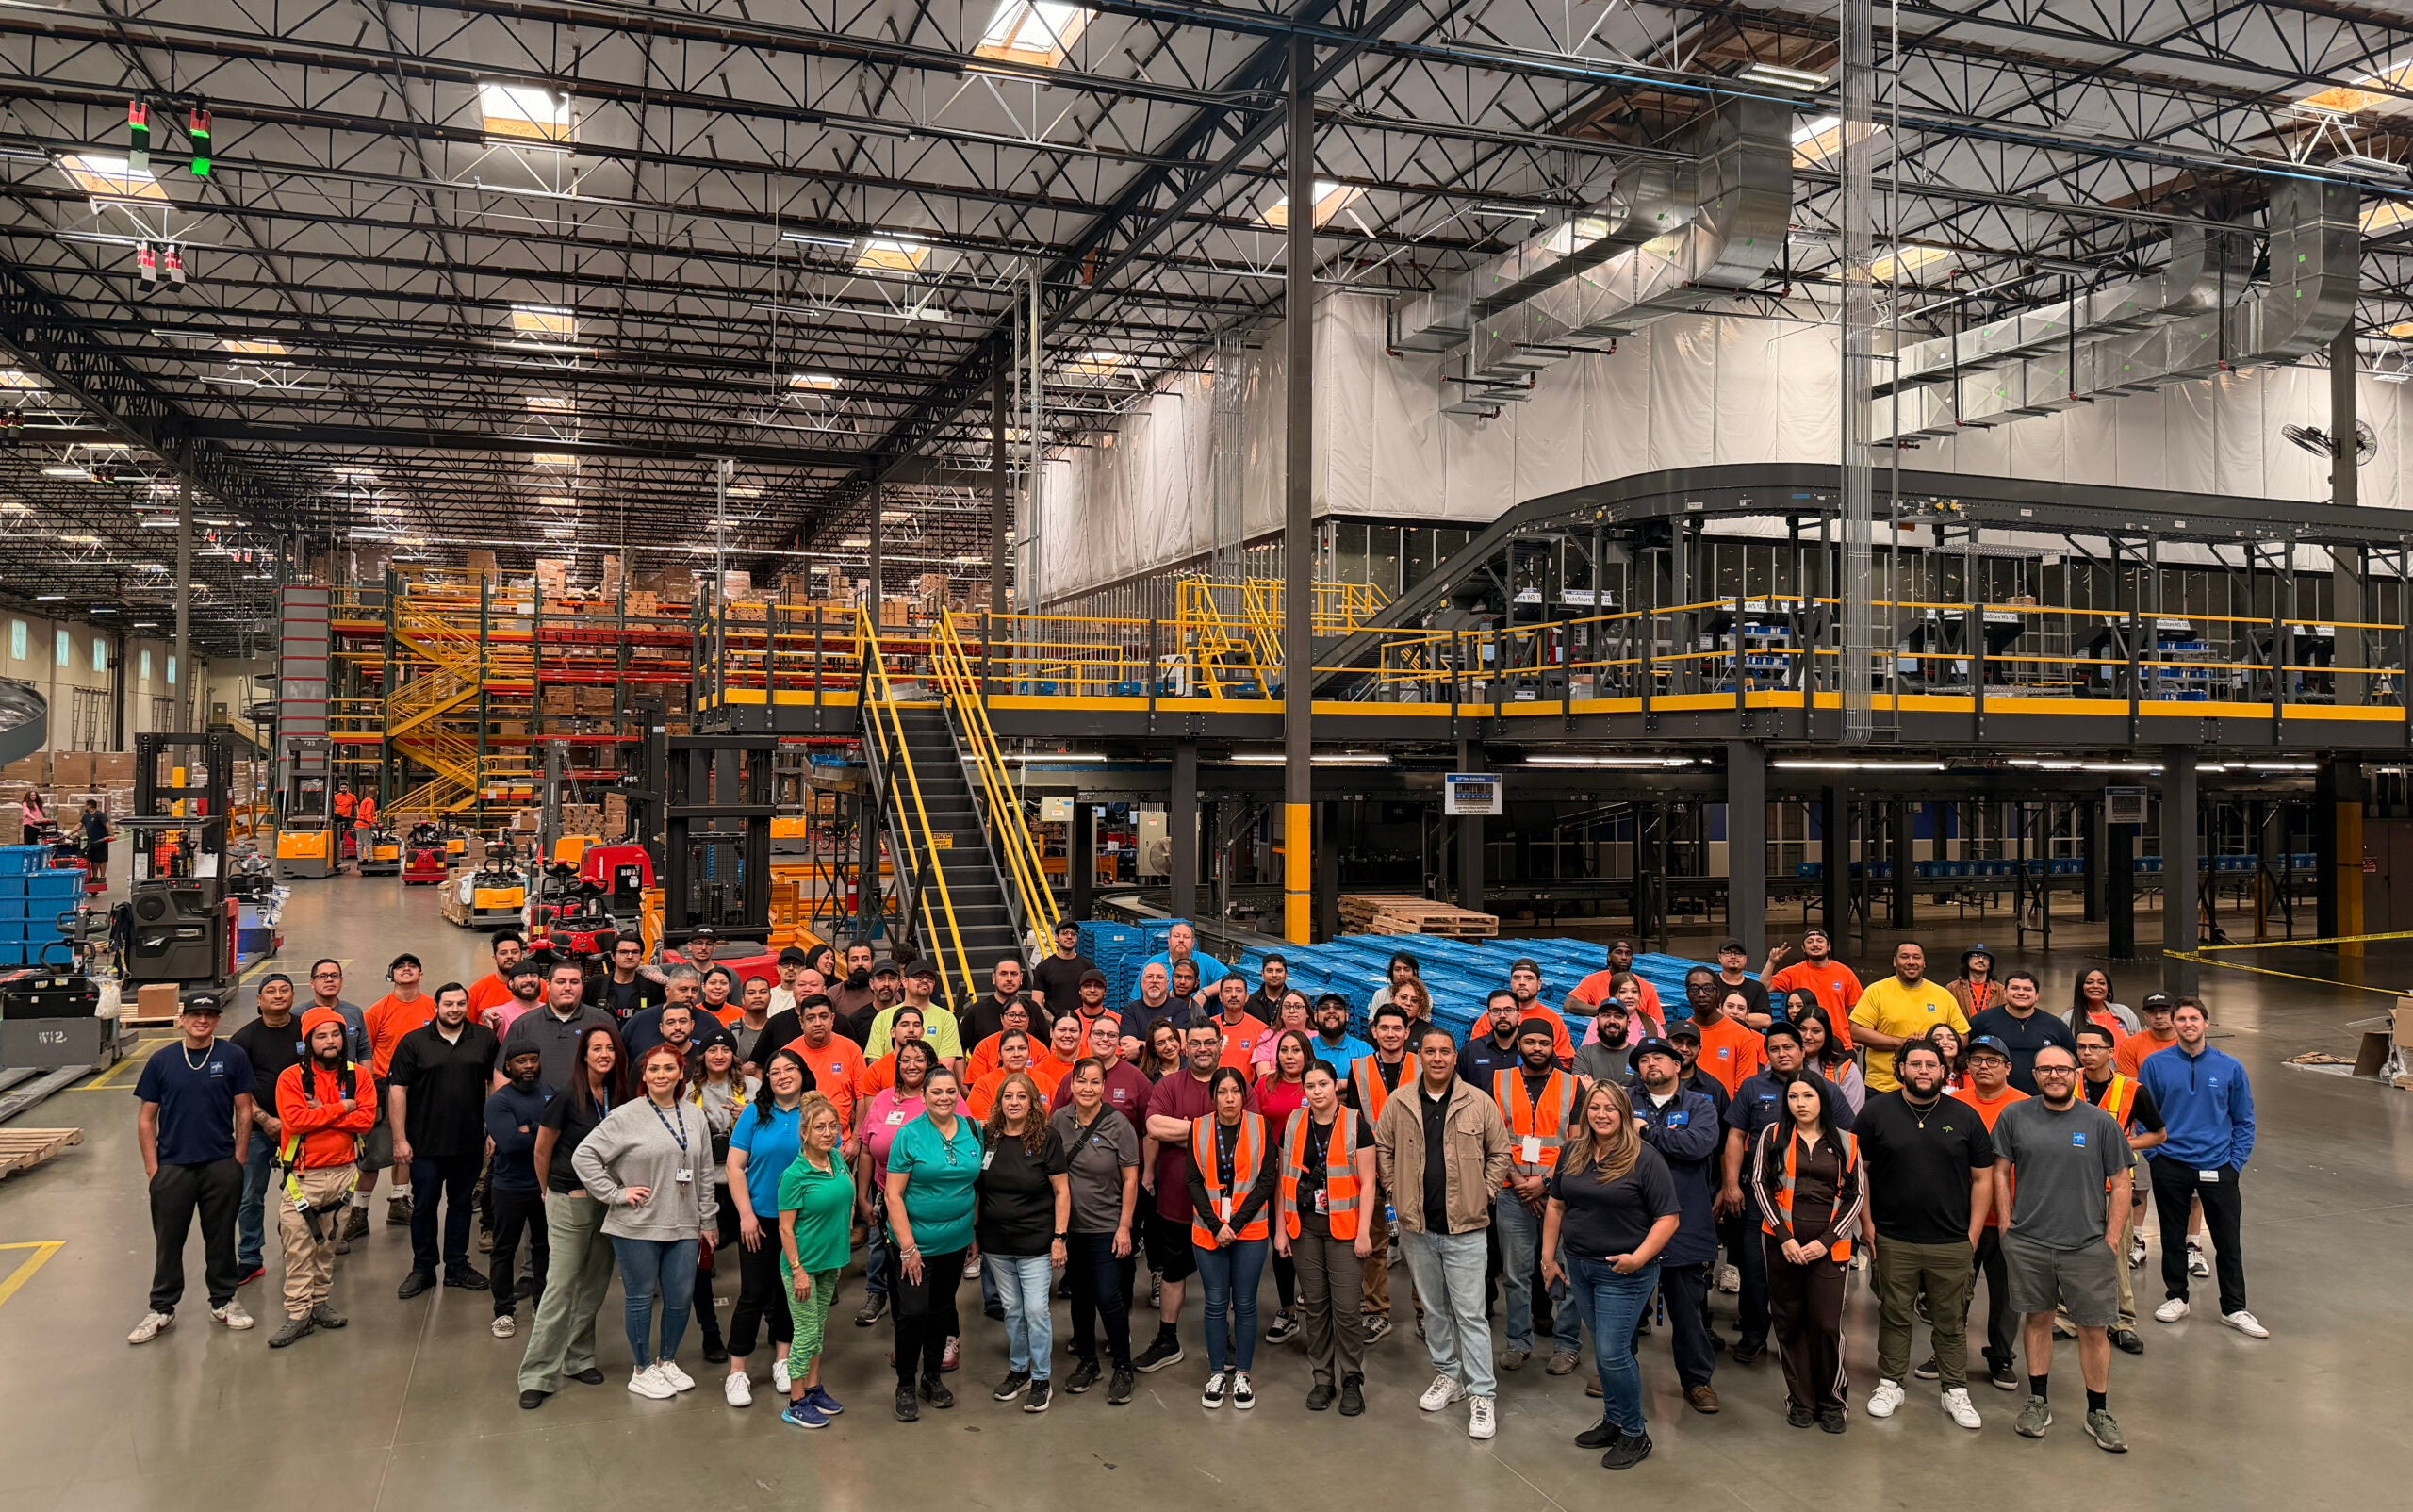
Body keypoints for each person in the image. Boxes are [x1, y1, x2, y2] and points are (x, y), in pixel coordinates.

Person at [1991, 1044, 2133, 1452]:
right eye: (2045, 1069)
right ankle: (2038, 1401)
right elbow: (2000, 1171)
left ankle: (2098, 1411)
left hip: (2087, 1246)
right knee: (2037, 1320)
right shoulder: (2014, 1116)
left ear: (2075, 1073)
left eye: (2062, 1069)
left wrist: (2110, 1238)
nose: (2054, 1075)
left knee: (2093, 1328)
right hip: (2029, 1243)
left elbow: (2122, 1182)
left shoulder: (2100, 1122)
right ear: (2034, 1075)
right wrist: (2006, 1225)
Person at [1375, 1024, 1513, 1440]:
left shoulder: (1479, 1102)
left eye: (1445, 1051)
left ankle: (1482, 1393)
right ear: (1420, 1056)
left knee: (1470, 1314)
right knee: (1434, 1310)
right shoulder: (1399, 1102)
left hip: (1466, 1229)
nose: (1437, 1058)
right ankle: (1449, 1375)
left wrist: (1485, 1193)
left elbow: (1500, 1152)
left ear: (1455, 1057)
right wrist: (1394, 1189)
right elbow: (1383, 1147)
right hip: (1418, 1229)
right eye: (1430, 1051)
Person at [1542, 1078, 1682, 1471]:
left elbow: (1668, 1218)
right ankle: (1615, 1419)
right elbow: (1556, 1205)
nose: (1601, 1115)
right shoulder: (1573, 1151)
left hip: (1624, 1272)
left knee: (1612, 1352)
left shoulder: (1645, 1158)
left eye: (1610, 1108)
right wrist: (1548, 1258)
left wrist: (1638, 1259)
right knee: (1605, 1350)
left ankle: (1635, 1434)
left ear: (1624, 1113)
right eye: (1594, 1107)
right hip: (1580, 1265)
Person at [1855, 1037, 1992, 1428]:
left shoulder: (1965, 1116)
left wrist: (1973, 1235)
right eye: (1915, 1064)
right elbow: (1859, 1172)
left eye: (1931, 1065)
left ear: (1944, 1070)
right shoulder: (1875, 1112)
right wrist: (1867, 1225)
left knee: (1950, 1320)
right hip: (1892, 1237)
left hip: (1950, 1240)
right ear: (1901, 1069)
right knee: (1894, 1314)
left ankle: (1955, 1390)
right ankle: (1890, 1383)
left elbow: (1982, 1179)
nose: (1924, 1071)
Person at [573, 1042, 718, 1399]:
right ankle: (641, 1369)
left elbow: (703, 1172)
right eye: (654, 1069)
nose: (661, 1075)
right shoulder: (626, 1115)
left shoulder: (695, 1116)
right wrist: (615, 1193)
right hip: (636, 1224)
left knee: (680, 1297)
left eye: (669, 1068)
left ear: (681, 1074)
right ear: (644, 1076)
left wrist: (708, 1220)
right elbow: (584, 1155)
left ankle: (667, 1361)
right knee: (639, 1298)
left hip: (684, 1223)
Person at [1718, 1022, 1854, 1369]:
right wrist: (1731, 1185)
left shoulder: (1826, 1090)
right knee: (1755, 1270)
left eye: (1789, 1047)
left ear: (1803, 1050)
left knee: (1806, 1275)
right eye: (1774, 1049)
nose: (1782, 1054)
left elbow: (1848, 1142)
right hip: (1761, 1197)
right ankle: (1753, 1335)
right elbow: (1735, 1137)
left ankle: (1799, 1340)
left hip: (1815, 1203)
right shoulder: (1753, 1088)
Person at [128, 994, 256, 1343]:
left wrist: (238, 1158)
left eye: (209, 1014)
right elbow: (146, 1118)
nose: (203, 1020)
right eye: (196, 1014)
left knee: (220, 1237)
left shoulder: (233, 1056)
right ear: (182, 1020)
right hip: (173, 1168)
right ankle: (162, 1308)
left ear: (217, 1020)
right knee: (168, 1241)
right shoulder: (162, 1061)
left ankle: (224, 1301)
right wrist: (153, 1169)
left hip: (220, 1165)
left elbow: (244, 1110)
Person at [517, 1025, 627, 1409]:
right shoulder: (566, 1097)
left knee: (594, 1284)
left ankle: (578, 1358)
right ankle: (537, 1374)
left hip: (609, 1202)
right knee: (561, 1285)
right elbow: (542, 1150)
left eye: (609, 1048)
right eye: (596, 1048)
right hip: (570, 1200)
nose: (604, 1054)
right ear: (584, 1055)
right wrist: (547, 1190)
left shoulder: (621, 1096)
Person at [2139, 998, 2262, 1338]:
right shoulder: (2155, 1065)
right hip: (2171, 1163)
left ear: (2206, 1023)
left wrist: (2234, 1163)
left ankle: (2234, 1307)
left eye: (2194, 1018)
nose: (2188, 1024)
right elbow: (2143, 1115)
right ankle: (2176, 1297)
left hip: (2219, 1165)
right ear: (2173, 1024)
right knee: (2172, 1236)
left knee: (2228, 1240)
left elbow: (2244, 1119)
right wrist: (2155, 1157)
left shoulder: (2230, 1067)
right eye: (2181, 1018)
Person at [1137, 1021, 1256, 1372]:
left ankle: (1225, 1340)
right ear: (1185, 1047)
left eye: (1209, 1042)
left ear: (1220, 1045)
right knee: (1173, 1273)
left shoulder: (1236, 1084)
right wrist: (1208, 1129)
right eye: (1195, 1043)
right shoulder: (1170, 1085)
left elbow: (1250, 1133)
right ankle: (1167, 1339)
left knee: (1227, 1280)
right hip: (1176, 1202)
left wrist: (1183, 1134)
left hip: (1226, 1207)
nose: (1202, 1048)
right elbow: (1154, 1126)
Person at [1751, 1078, 1866, 1432]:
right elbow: (1759, 1184)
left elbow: (1857, 1196)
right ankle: (1801, 1400)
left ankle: (1832, 1401)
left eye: (1808, 1096)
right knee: (1789, 1321)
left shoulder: (1847, 1141)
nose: (1800, 1103)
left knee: (1826, 1324)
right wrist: (1784, 1237)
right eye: (1793, 1097)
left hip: (1828, 1245)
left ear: (1822, 1100)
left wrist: (1827, 1241)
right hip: (1782, 1242)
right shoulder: (1773, 1135)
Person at [267, 1006, 377, 1348]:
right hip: (304, 1178)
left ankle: (319, 1303)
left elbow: (366, 1121)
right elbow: (296, 1121)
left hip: (344, 1175)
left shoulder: (359, 1076)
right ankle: (299, 1313)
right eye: (321, 1036)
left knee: (327, 1246)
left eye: (335, 1035)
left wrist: (323, 1112)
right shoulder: (291, 1079)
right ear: (308, 1041)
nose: (330, 1042)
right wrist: (343, 1108)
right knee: (298, 1249)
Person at [1272, 1057, 1374, 1413]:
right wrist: (1281, 1231)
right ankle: (1322, 1378)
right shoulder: (1293, 1123)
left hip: (1345, 1229)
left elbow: (1368, 1183)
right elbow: (1283, 1180)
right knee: (1315, 1307)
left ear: (1336, 1086)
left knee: (1346, 1309)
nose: (1317, 1092)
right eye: (1310, 1086)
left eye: (1323, 1085)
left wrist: (1364, 1232)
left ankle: (1352, 1379)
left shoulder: (1356, 1123)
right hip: (1305, 1229)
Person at [1630, 1034, 1725, 1412]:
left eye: (1659, 1057)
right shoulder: (1624, 1101)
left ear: (1676, 1064)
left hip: (1686, 1221)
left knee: (1688, 1310)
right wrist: (1669, 1140)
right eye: (1643, 1060)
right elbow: (1609, 1145)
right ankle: (1615, 1371)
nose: (1651, 1064)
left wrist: (1646, 1134)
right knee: (1624, 1308)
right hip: (1632, 1221)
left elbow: (1698, 1146)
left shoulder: (1701, 1105)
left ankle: (1698, 1381)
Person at [884, 1064, 984, 1421]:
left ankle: (932, 1378)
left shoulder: (972, 1130)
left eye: (951, 1091)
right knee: (913, 1313)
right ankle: (905, 1384)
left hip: (956, 1241)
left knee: (942, 1310)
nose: (944, 1098)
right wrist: (908, 1248)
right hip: (915, 1244)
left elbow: (974, 1186)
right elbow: (893, 1195)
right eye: (937, 1092)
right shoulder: (909, 1136)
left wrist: (973, 1232)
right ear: (924, 1096)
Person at [389, 982, 501, 1298]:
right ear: (435, 1007)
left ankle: (457, 1266)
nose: (455, 1009)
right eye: (448, 1004)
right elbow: (398, 1090)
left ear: (467, 1006)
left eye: (461, 1004)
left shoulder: (484, 1038)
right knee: (424, 1206)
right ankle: (423, 1269)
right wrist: (399, 1139)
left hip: (468, 1142)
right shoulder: (414, 1042)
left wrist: (493, 1128)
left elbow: (494, 1083)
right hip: (424, 1144)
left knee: (461, 1205)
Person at [1489, 1017, 1584, 1374]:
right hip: (1513, 1193)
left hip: (1560, 1195)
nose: (1537, 1048)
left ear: (1553, 1047)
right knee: (1516, 1275)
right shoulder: (1498, 1081)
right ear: (1519, 1045)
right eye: (1530, 1042)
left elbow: (1577, 1143)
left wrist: (1544, 1182)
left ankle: (1567, 1345)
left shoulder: (1572, 1085)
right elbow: (1493, 1139)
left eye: (1544, 1043)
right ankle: (1518, 1341)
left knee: (1565, 1273)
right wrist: (1519, 1182)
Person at [979, 1072, 1071, 1411]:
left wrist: (1059, 1237)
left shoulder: (1047, 1138)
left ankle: (1042, 1377)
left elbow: (1062, 1191)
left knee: (1035, 1311)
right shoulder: (989, 1136)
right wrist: (975, 1234)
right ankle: (1019, 1370)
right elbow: (979, 1188)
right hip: (997, 1243)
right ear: (999, 1102)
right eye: (1008, 1096)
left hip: (1036, 1242)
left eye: (1021, 1096)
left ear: (1033, 1102)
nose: (1014, 1102)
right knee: (1013, 1310)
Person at [1053, 1056, 1141, 1405]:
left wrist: (1124, 1228)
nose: (1087, 1088)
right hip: (1072, 1227)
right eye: (1081, 1081)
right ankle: (1088, 1362)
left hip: (1107, 1226)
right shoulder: (1059, 1120)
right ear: (1071, 1084)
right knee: (1081, 1297)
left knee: (1108, 1296)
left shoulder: (1119, 1124)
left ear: (1104, 1087)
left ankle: (1123, 1366)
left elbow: (1131, 1180)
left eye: (1094, 1082)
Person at [1186, 1064, 1275, 1409]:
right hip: (1209, 1230)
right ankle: (1216, 1373)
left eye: (1235, 1091)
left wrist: (1234, 1225)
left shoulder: (1260, 1126)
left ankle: (1242, 1374)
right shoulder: (1198, 1128)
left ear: (1244, 1095)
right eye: (1222, 1092)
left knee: (1246, 1303)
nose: (1229, 1098)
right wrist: (1215, 1224)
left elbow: (1266, 1181)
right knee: (1215, 1303)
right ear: (1213, 1097)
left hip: (1249, 1230)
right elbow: (1193, 1180)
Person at [724, 1049, 808, 1406]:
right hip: (758, 1219)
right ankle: (736, 1372)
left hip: (802, 1222)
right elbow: (734, 1166)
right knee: (753, 1294)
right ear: (767, 1079)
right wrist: (745, 1215)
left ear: (803, 1073)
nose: (783, 1076)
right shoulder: (753, 1114)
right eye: (775, 1071)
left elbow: (831, 1164)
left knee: (791, 1292)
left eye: (790, 1069)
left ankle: (783, 1360)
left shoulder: (814, 1112)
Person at [2076, 1023, 2162, 1354]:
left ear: (2111, 1052)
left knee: (2115, 1254)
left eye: (2094, 1047)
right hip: (2072, 1186)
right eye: (2081, 1047)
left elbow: (2158, 1134)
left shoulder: (2132, 1090)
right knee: (2069, 1254)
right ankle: (2067, 1317)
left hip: (2115, 1188)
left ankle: (2121, 1322)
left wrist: (2124, 1144)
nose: (2087, 1053)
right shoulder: (2067, 1082)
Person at [774, 1092, 853, 1428]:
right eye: (819, 1127)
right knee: (805, 1334)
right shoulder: (795, 1175)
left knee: (818, 1331)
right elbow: (785, 1228)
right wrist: (798, 1270)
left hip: (829, 1263)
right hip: (802, 1267)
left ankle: (813, 1388)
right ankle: (795, 1403)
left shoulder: (835, 1159)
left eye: (833, 1126)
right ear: (804, 1132)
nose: (827, 1133)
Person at [1956, 1034, 2028, 1391]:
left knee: (2007, 1296)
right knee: (1952, 1291)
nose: (1984, 1066)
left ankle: (2001, 1356)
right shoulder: (1952, 1104)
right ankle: (1947, 1351)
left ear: (2008, 1067)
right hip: (1960, 1219)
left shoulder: (2027, 1106)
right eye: (1977, 1060)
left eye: (1993, 1060)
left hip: (2009, 1220)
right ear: (1967, 1067)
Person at [853, 1039, 935, 1331]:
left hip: (928, 1197)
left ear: (930, 1064)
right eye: (905, 1060)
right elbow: (866, 1149)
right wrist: (862, 1196)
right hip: (885, 1193)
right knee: (884, 1252)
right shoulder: (883, 1099)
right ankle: (880, 1297)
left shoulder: (940, 1095)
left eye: (919, 1059)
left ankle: (925, 1314)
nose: (912, 1065)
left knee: (923, 1261)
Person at [228, 972, 304, 1286]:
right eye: (270, 991)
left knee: (301, 1194)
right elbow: (238, 1090)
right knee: (249, 1195)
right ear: (259, 1000)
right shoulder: (243, 1040)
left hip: (301, 1129)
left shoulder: (306, 1030)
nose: (278, 995)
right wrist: (265, 1120)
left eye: (285, 989)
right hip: (258, 1131)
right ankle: (249, 1257)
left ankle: (298, 1250)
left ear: (292, 996)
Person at [1345, 1003, 1414, 1342]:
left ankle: (1425, 1314)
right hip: (1373, 1168)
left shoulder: (1421, 1065)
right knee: (1374, 1246)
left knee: (1419, 1248)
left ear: (1407, 1032)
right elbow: (1355, 1121)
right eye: (1384, 1028)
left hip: (1416, 1170)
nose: (1390, 1034)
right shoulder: (1359, 1069)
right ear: (1373, 1031)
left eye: (1397, 1028)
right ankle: (1376, 1311)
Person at [685, 1035, 754, 1364]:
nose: (719, 1055)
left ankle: (766, 1321)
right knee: (701, 1265)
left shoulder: (753, 1089)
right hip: (704, 1186)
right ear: (702, 1056)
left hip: (744, 1184)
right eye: (712, 1049)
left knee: (756, 1259)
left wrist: (750, 1116)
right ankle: (710, 1332)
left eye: (726, 1049)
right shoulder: (688, 1092)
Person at [484, 1043, 553, 1340]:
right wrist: (544, 1131)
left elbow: (563, 1134)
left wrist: (530, 1128)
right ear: (509, 1066)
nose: (528, 1066)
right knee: (504, 1250)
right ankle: (503, 1311)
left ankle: (542, 1304)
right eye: (521, 1061)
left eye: (533, 1060)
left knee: (544, 1247)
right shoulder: (498, 1101)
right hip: (509, 1187)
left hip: (544, 1186)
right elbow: (510, 1143)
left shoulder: (551, 1094)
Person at [1254, 1029, 1314, 1347]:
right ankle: (1287, 1310)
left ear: (1306, 1053)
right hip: (1272, 1173)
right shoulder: (1266, 1084)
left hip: (1311, 1176)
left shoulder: (1315, 1083)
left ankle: (1315, 1306)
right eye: (1284, 1050)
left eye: (1296, 1050)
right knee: (1281, 1241)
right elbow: (1254, 1123)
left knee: (1310, 1240)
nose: (1289, 1056)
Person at [1849, 942, 1969, 1093]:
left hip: (1933, 1086)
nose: (1911, 962)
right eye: (1905, 957)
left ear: (1924, 963)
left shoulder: (1942, 995)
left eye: (1916, 957)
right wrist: (1901, 1042)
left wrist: (1932, 1045)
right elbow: (1857, 1031)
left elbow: (1963, 1036)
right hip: (1884, 1086)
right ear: (1895, 962)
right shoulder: (1876, 991)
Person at [499, 961, 615, 1092]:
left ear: (583, 985)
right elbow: (501, 1073)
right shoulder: (523, 1025)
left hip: (588, 1102)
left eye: (574, 982)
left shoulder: (603, 1022)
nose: (568, 988)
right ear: (548, 985)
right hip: (536, 1103)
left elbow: (620, 1068)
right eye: (560, 982)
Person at [1968, 970, 2077, 1094]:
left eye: (2027, 989)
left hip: (2041, 1098)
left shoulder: (2056, 1026)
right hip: (1992, 1097)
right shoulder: (1982, 1021)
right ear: (2005, 992)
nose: (2021, 993)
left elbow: (2072, 1062)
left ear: (2037, 995)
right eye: (2015, 988)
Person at [780, 996, 867, 1150]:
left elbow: (862, 1098)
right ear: (801, 1022)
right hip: (798, 1144)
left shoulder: (851, 1049)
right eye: (811, 1018)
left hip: (841, 1144)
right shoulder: (788, 1054)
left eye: (823, 1016)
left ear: (832, 1019)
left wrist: (855, 1140)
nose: (818, 1023)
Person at [1049, 1010, 1151, 1126]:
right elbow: (1054, 1125)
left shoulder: (1136, 1078)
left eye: (1112, 1035)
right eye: (1098, 1033)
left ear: (1118, 1041)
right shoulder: (1073, 1077)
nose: (1105, 1039)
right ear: (1088, 1038)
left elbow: (1149, 1126)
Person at [1761, 928, 1860, 1046]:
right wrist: (1771, 962)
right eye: (1810, 941)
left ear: (1828, 946)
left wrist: (1856, 1037)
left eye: (1820, 941)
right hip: (1804, 1042)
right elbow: (1764, 987)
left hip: (1840, 1042)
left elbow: (1857, 1010)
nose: (1815, 945)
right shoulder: (1793, 972)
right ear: (1803, 948)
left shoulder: (1845, 973)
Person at [1569, 939, 1664, 1040]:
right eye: (1619, 952)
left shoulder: (1647, 987)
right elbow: (1570, 1004)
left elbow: (1660, 1026)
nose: (1624, 957)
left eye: (1628, 954)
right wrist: (1608, 1011)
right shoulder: (1593, 981)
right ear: (1609, 956)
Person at [867, 960, 960, 1060]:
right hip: (888, 1070)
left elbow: (947, 1063)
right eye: (919, 977)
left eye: (930, 978)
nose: (925, 981)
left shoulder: (946, 1018)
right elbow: (874, 1059)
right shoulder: (883, 1016)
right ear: (904, 982)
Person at [1692, 985, 1768, 1098]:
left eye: (1741, 1008)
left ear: (1747, 1013)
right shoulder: (1702, 1032)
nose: (1735, 1012)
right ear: (1720, 1008)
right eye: (1730, 1006)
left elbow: (1760, 1076)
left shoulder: (1758, 1040)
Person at [1502, 958, 1578, 1062]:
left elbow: (1564, 1060)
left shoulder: (1553, 1020)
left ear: (1539, 984)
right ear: (1511, 982)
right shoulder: (1496, 1017)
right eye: (1517, 978)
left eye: (1529, 978)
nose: (1522, 983)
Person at [1795, 1005, 1864, 1113]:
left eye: (1816, 1031)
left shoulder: (1846, 1070)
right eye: (1802, 1029)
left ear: (1826, 1035)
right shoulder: (1781, 1064)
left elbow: (1853, 1117)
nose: (1807, 1036)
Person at [584, 934, 665, 1023]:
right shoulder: (595, 984)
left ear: (641, 956)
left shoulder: (653, 987)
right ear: (613, 956)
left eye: (635, 952)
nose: (630, 956)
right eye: (623, 952)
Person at [1459, 989, 1529, 1088]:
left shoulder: (1532, 1049)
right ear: (1488, 1016)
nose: (1502, 1015)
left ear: (1519, 1014)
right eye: (1496, 1011)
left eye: (1509, 1010)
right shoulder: (1471, 1050)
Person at [1202, 972, 1272, 1068]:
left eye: (1239, 990)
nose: (1233, 995)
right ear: (1220, 997)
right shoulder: (1207, 1026)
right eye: (1228, 990)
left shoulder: (1261, 1030)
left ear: (1247, 997)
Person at [1031, 917, 1095, 1017]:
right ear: (1056, 937)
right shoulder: (1043, 967)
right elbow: (1036, 1004)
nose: (1069, 936)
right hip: (1054, 1023)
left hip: (1082, 1022)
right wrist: (1054, 1022)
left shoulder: (1088, 966)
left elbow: (1095, 998)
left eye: (1073, 934)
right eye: (1065, 933)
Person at [1571, 992, 1637, 1086]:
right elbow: (1580, 1088)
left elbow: (1642, 1092)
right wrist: (1626, 1090)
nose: (1612, 1021)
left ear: (1628, 1023)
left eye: (1618, 1016)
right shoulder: (1585, 1054)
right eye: (1606, 1015)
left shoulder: (1638, 1057)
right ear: (1597, 1021)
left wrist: (1594, 1086)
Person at [1142, 920, 1229, 990]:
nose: (1181, 940)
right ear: (1168, 941)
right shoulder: (1154, 963)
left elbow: (1230, 980)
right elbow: (1138, 997)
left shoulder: (1205, 961)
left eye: (1186, 937)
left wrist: (1205, 992)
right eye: (1176, 936)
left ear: (1193, 942)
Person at [465, 929, 530, 1020]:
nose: (509, 956)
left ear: (522, 955)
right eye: (503, 953)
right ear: (494, 958)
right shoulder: (477, 991)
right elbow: (467, 1024)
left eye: (514, 952)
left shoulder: (538, 986)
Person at [1248, 989, 1314, 1077]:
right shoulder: (1268, 1035)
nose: (1292, 1011)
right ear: (1281, 1013)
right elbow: (1263, 1075)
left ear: (1307, 1012)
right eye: (1287, 1006)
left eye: (1298, 1006)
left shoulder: (1318, 1037)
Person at [2115, 990, 2180, 1078]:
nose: (2158, 1016)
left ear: (2175, 1013)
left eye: (2164, 1011)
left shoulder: (2189, 1041)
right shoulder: (2130, 1045)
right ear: (2145, 1015)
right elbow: (2127, 1083)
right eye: (2152, 1012)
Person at [1709, 939, 1772, 1026]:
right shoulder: (1710, 984)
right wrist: (1743, 1016)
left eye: (1738, 953)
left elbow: (1766, 1021)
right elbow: (1706, 1014)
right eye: (1728, 953)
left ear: (1745, 959)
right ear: (1720, 957)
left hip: (1748, 1034)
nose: (1733, 956)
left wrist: (1727, 1015)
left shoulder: (1757, 987)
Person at [1305, 991, 1371, 1070]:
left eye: (1337, 1008)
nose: (1331, 1011)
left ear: (1347, 1016)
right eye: (1325, 1008)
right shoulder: (1305, 1048)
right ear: (1315, 1016)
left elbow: (1367, 1077)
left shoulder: (1363, 1051)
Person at [484, 960, 546, 1041]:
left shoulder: (549, 1011)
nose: (529, 980)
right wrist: (486, 1014)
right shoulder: (502, 1013)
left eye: (533, 976)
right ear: (511, 983)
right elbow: (491, 1016)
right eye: (522, 976)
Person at [1948, 945, 2004, 1018]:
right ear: (1967, 961)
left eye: (1985, 957)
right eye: (1976, 955)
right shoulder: (1953, 988)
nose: (1981, 960)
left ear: (1990, 965)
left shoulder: (2001, 990)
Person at [1124, 961, 1178, 1034]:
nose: (1154, 981)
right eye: (1149, 976)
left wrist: (1139, 1041)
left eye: (1160, 977)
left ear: (1167, 983)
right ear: (1141, 982)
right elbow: (1127, 1040)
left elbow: (1180, 1039)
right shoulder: (1130, 1010)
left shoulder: (1179, 1008)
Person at [79, 797, 110, 887]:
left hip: (101, 840)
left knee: (102, 860)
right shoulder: (86, 816)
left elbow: (107, 824)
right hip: (91, 841)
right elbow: (79, 825)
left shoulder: (100, 815)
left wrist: (111, 834)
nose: (84, 807)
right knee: (93, 860)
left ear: (89, 806)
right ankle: (94, 876)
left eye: (85, 805)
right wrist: (69, 833)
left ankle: (102, 877)